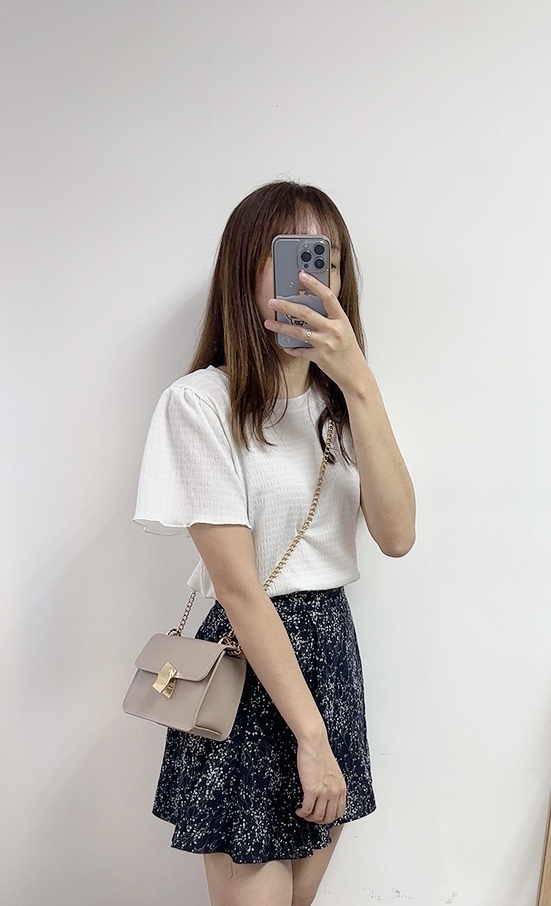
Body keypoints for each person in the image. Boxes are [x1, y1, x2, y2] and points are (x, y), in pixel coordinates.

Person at [133, 180, 416, 906]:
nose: (316, 279)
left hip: (331, 653)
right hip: (249, 664)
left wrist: (360, 386)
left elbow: (396, 536)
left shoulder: (342, 403)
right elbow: (237, 588)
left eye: (330, 261)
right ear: (246, 270)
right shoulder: (201, 403)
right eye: (294, 257)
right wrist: (311, 739)